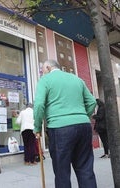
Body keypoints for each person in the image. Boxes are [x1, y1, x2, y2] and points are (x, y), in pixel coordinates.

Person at [33, 59, 97, 188]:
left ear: (48, 67)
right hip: (84, 126)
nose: (42, 72)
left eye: (42, 70)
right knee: (85, 168)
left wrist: (37, 127)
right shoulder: (77, 79)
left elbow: (39, 105)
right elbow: (91, 102)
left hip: (60, 128)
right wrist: (82, 116)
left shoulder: (45, 80)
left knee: (62, 171)